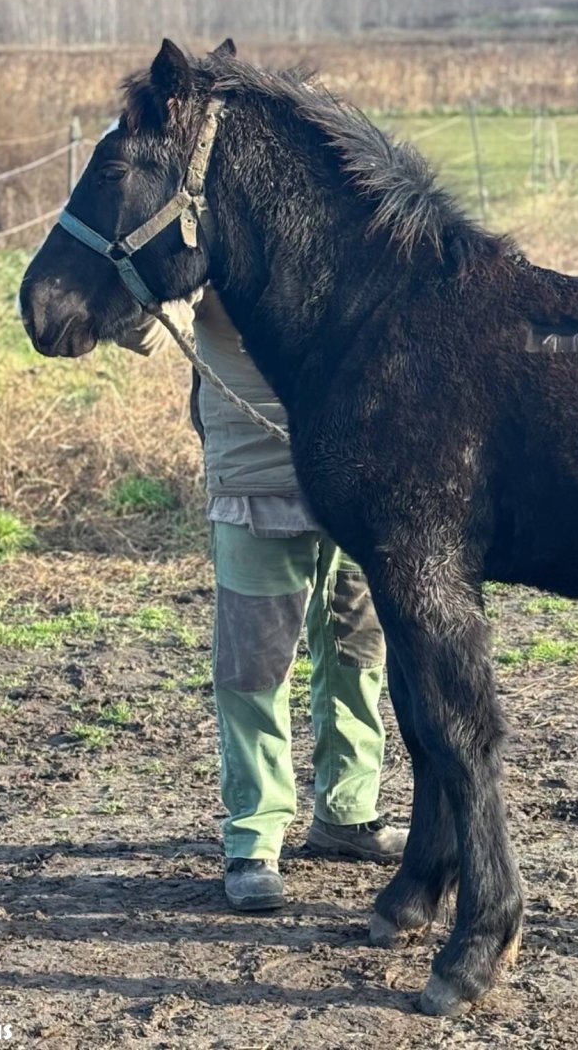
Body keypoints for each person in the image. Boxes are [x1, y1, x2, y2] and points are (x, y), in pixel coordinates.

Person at [122, 290, 407, 912]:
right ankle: (254, 838)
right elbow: (139, 330)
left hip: (360, 472)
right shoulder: (213, 227)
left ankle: (348, 812)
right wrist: (159, 283)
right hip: (257, 477)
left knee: (359, 651)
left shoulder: (348, 207)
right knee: (254, 666)